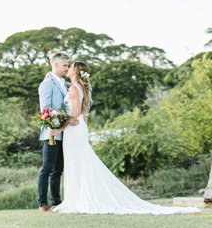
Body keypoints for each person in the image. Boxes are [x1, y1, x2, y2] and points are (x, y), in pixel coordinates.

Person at [50, 60, 201, 215]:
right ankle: (75, 198)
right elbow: (69, 93)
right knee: (77, 163)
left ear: (75, 72)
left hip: (74, 129)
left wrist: (59, 126)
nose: (67, 69)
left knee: (78, 163)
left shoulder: (75, 89)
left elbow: (75, 112)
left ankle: (77, 200)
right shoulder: (77, 87)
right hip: (76, 129)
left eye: (71, 67)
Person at [37, 50, 78, 212]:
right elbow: (45, 110)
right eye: (65, 65)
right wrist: (55, 125)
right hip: (51, 133)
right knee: (47, 168)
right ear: (55, 64)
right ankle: (42, 203)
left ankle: (56, 202)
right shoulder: (47, 83)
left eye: (68, 66)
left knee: (58, 170)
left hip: (64, 133)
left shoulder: (64, 83)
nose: (67, 69)